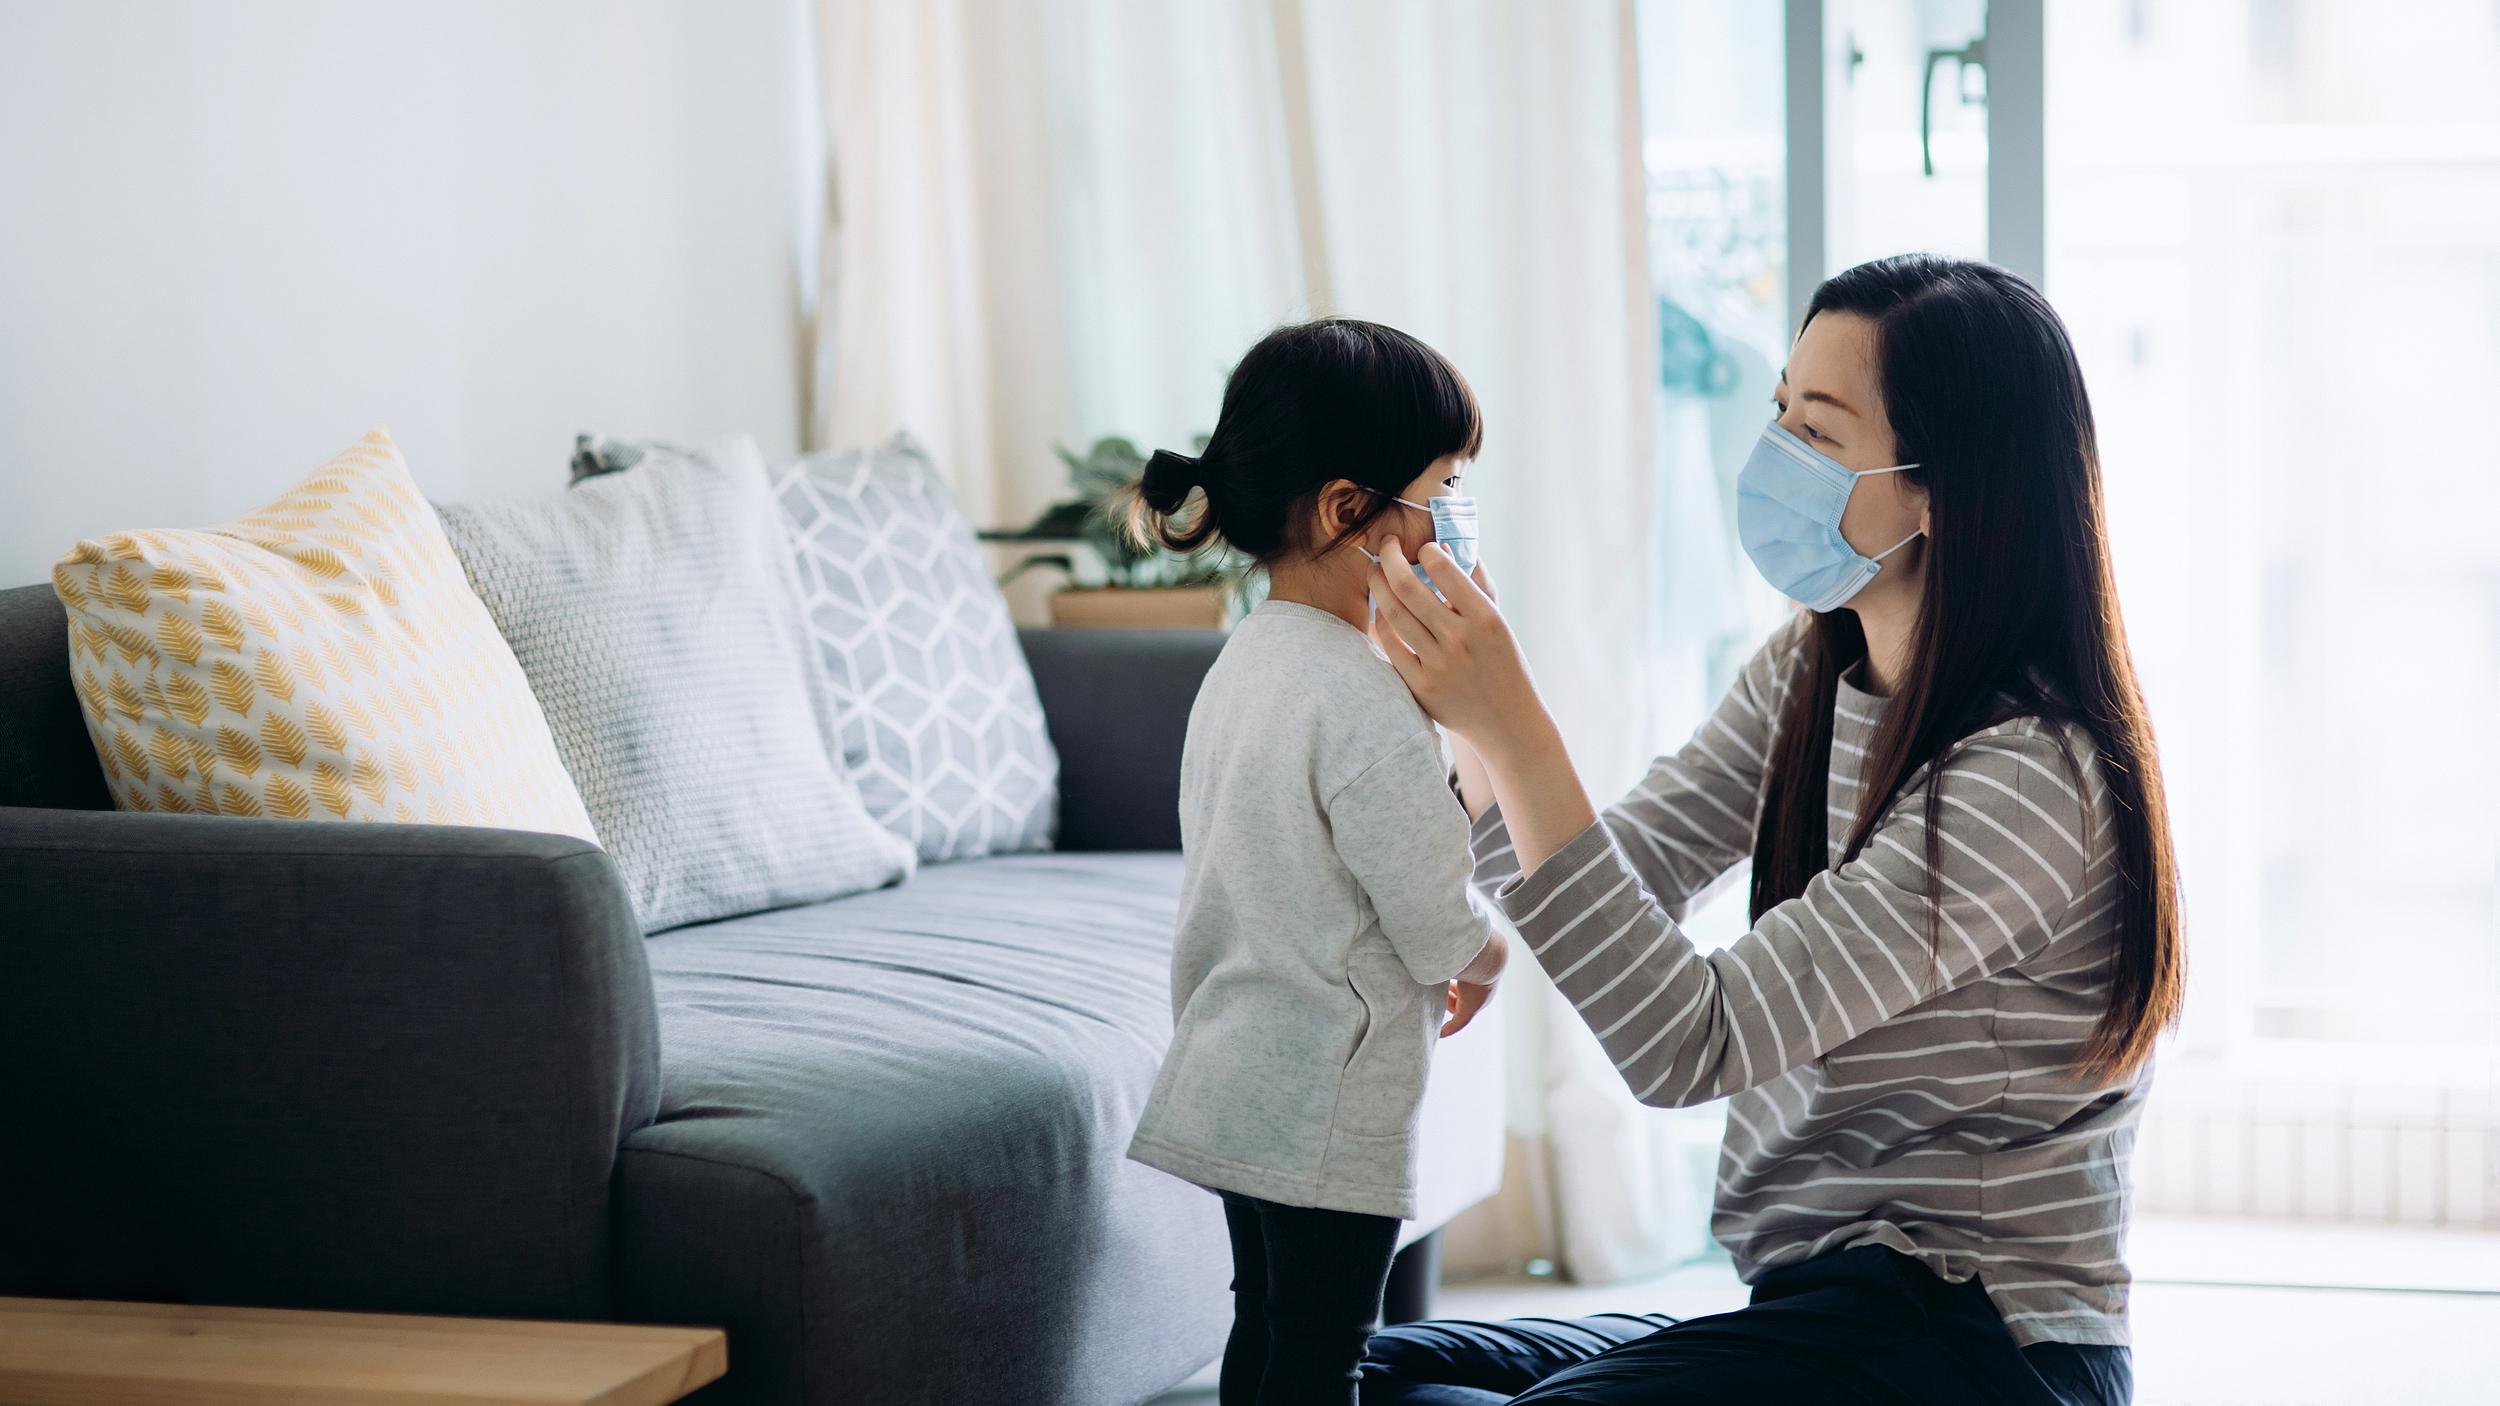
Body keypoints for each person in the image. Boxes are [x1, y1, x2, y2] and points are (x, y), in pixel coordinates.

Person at [1355, 254, 2179, 1406]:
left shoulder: (2027, 776)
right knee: (1350, 1374)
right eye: (1779, 412)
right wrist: (1475, 727)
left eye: (1821, 430)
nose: (1776, 453)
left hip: (1978, 1339)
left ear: (1944, 483)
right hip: (1815, 1308)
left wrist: (1518, 723)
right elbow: (1617, 873)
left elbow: (1687, 1042)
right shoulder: (1814, 665)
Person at [1123, 318, 1513, 1406]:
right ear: (1350, 509)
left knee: (1269, 1325)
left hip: (1233, 1066)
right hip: (1325, 1096)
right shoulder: (1360, 693)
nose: (1460, 513)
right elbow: (1433, 907)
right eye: (1447, 483)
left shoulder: (1245, 657)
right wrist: (1489, 954)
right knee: (1325, 1350)